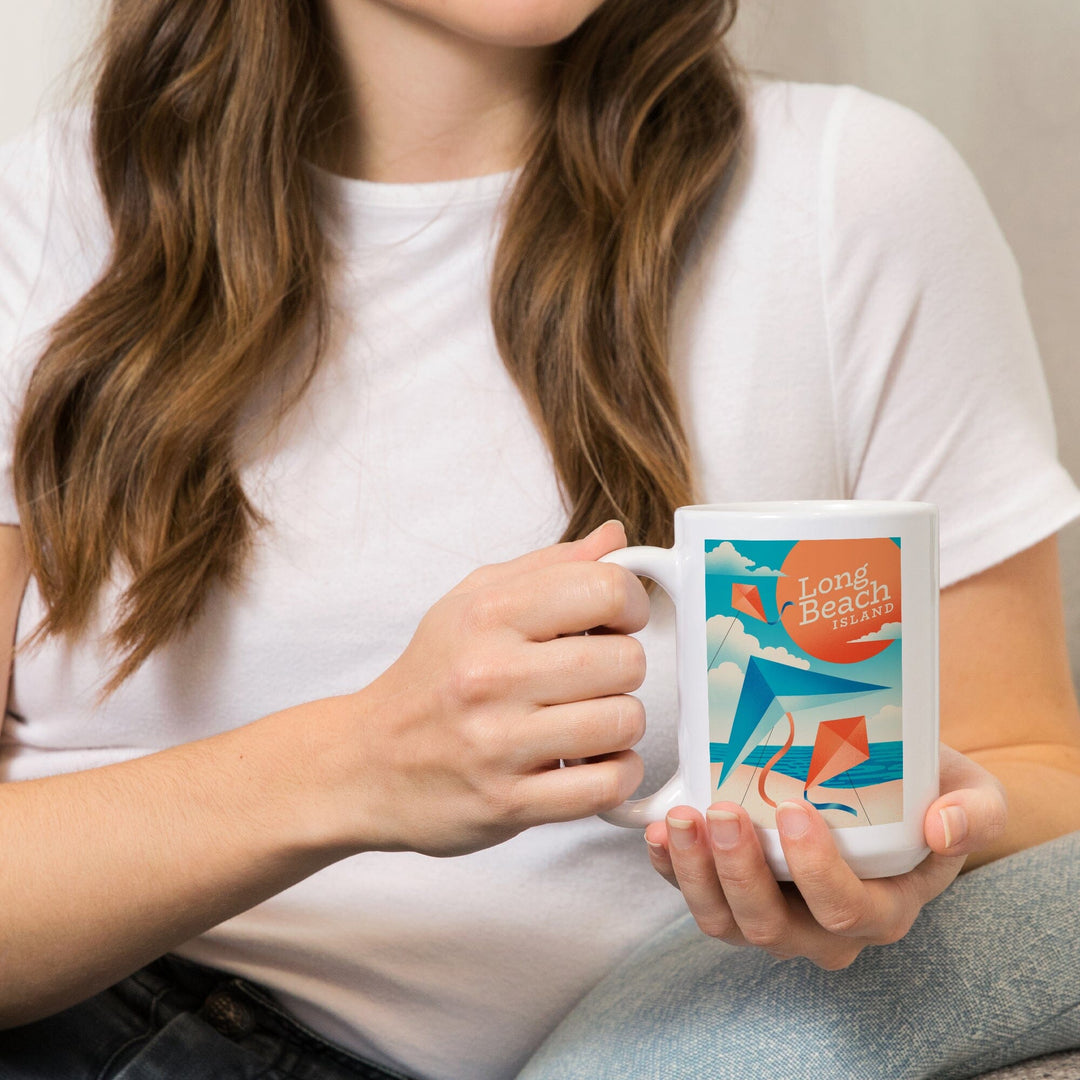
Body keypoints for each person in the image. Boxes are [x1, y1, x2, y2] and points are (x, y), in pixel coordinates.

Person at [0, 1, 1078, 1078]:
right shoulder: (38, 219)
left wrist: (925, 846)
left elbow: (1032, 766)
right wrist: (359, 764)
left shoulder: (853, 195)